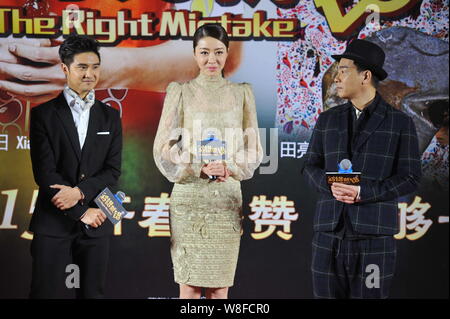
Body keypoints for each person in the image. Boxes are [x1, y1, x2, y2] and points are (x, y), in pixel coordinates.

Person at [303, 39, 422, 299]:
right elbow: (310, 166)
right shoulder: (327, 120)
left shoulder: (399, 123)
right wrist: (330, 186)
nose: (336, 77)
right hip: (328, 237)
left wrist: (363, 192)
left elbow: (410, 177)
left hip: (374, 238)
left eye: (343, 70)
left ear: (366, 76)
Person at [153, 24, 263, 299]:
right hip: (189, 198)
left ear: (227, 54)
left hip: (225, 199)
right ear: (194, 54)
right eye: (204, 52)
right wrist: (197, 166)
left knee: (219, 288)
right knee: (188, 288)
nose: (211, 60)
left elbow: (253, 148)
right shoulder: (180, 91)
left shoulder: (242, 93)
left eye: (218, 52)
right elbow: (163, 146)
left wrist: (230, 167)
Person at [28, 34, 122, 298]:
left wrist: (79, 194)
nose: (89, 74)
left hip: (96, 223)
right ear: (65, 68)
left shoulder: (110, 116)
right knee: (45, 293)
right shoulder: (43, 114)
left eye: (95, 67)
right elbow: (44, 173)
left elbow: (112, 171)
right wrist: (81, 212)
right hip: (53, 224)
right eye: (82, 67)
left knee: (92, 294)